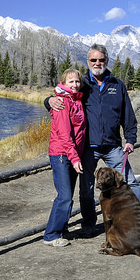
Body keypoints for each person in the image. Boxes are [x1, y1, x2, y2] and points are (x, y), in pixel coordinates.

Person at [45, 43, 140, 237]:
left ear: (107, 61)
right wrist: (48, 101)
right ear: (88, 62)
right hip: (88, 147)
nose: (98, 63)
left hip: (113, 146)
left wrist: (130, 139)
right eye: (93, 60)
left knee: (130, 183)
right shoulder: (82, 84)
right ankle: (88, 223)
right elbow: (63, 94)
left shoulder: (117, 85)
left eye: (101, 60)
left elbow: (128, 116)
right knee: (87, 189)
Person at [43, 69, 86, 247]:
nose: (75, 85)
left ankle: (62, 228)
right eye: (71, 82)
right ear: (63, 83)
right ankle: (51, 235)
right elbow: (64, 134)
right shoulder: (62, 103)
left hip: (72, 154)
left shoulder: (77, 100)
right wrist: (75, 158)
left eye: (77, 81)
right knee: (65, 196)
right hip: (62, 154)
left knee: (68, 195)